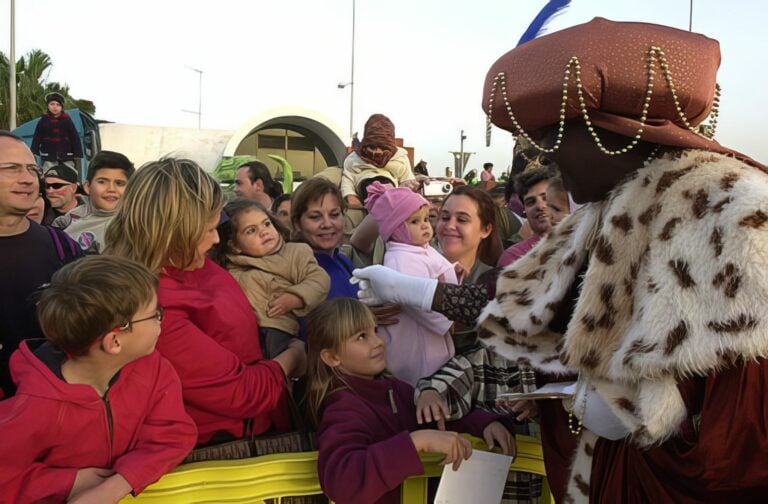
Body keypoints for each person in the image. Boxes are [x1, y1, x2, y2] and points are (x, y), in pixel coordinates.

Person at [475, 17, 768, 502]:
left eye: (553, 134)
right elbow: (520, 311)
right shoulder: (598, 214)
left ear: (612, 130)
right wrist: (570, 398)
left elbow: (740, 429)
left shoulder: (730, 217)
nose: (545, 155)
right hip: (618, 473)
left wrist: (633, 405)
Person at [104, 157, 305, 445]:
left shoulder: (189, 261)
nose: (215, 239)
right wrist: (294, 358)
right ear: (174, 231)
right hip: (222, 443)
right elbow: (238, 393)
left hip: (260, 417)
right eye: (209, 229)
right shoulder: (149, 309)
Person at [0, 255, 197, 503]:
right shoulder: (33, 406)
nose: (161, 319)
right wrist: (71, 482)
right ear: (114, 341)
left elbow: (174, 434)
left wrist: (116, 485)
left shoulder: (153, 367)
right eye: (154, 313)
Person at [308, 298, 513, 504]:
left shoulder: (396, 389)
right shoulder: (343, 407)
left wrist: (483, 423)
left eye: (375, 330)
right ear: (332, 357)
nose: (379, 341)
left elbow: (438, 422)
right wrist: (417, 442)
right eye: (362, 336)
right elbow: (342, 481)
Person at [0, 131, 83, 397]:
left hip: (50, 400)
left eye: (32, 169)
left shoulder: (63, 245)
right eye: (12, 169)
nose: (27, 179)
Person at [364, 182, 458, 385]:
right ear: (395, 228)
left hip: (430, 334)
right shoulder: (401, 258)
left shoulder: (420, 249)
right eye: (414, 221)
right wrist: (450, 317)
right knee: (421, 379)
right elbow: (417, 302)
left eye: (426, 219)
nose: (425, 225)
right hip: (418, 338)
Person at [211, 198, 330, 358]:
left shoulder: (294, 253)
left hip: (276, 328)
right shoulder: (231, 265)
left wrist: (295, 297)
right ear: (235, 245)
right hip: (242, 331)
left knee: (276, 365)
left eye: (266, 224)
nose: (264, 232)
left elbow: (319, 279)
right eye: (251, 231)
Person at [291, 176, 359, 300]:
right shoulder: (293, 270)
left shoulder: (343, 261)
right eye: (315, 217)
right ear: (297, 224)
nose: (327, 224)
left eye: (334, 215)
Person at [61, 150, 135, 253]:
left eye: (119, 183)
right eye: (102, 182)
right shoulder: (71, 218)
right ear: (87, 187)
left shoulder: (134, 225)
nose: (111, 189)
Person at [341, 114, 415, 209]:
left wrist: (409, 186)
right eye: (372, 147)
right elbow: (347, 179)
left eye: (383, 147)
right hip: (364, 188)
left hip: (393, 194)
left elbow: (407, 180)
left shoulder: (400, 158)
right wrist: (351, 197)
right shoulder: (353, 159)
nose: (377, 151)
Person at [497, 167, 554, 267]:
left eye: (546, 198)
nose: (540, 206)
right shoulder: (514, 257)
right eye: (531, 202)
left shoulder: (584, 245)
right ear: (524, 210)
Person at [30, 92, 83, 171]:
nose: (55, 107)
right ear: (48, 106)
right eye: (52, 104)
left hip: (66, 156)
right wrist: (33, 151)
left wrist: (78, 153)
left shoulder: (67, 120)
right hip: (49, 155)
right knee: (49, 175)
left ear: (62, 107)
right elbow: (37, 137)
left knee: (69, 175)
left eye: (58, 105)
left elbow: (74, 137)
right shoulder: (43, 120)